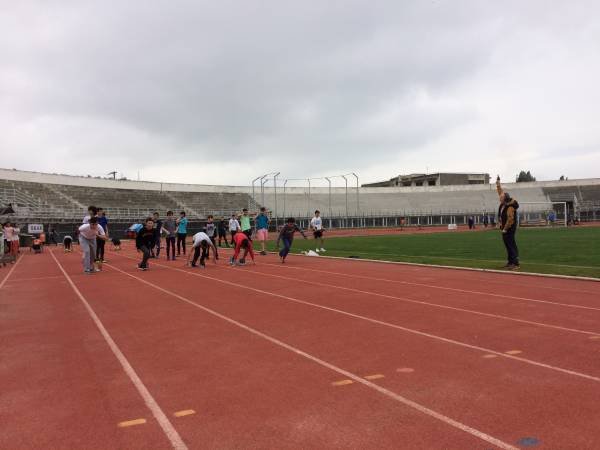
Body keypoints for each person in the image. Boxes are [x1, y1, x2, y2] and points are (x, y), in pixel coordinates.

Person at [496, 176, 520, 270]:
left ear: (505, 199)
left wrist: (505, 229)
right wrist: (498, 183)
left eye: (501, 198)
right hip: (504, 228)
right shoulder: (504, 203)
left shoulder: (510, 207)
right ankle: (510, 262)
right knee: (507, 245)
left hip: (509, 228)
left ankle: (515, 263)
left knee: (511, 245)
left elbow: (510, 220)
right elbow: (500, 192)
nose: (499, 198)